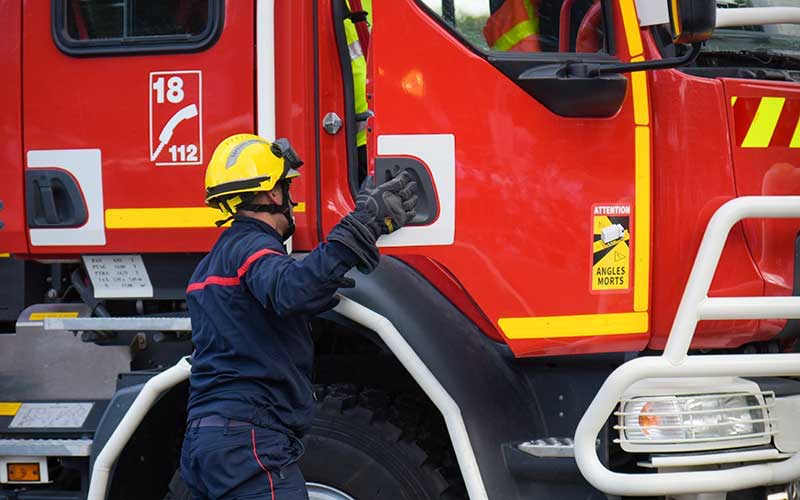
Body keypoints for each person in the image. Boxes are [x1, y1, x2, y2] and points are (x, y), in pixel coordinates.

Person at [179, 133, 417, 499]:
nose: (290, 198)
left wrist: (319, 288)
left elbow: (250, 322)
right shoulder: (253, 247)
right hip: (248, 444)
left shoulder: (207, 267)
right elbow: (292, 291)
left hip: (202, 443)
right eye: (286, 186)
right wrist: (362, 227)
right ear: (273, 193)